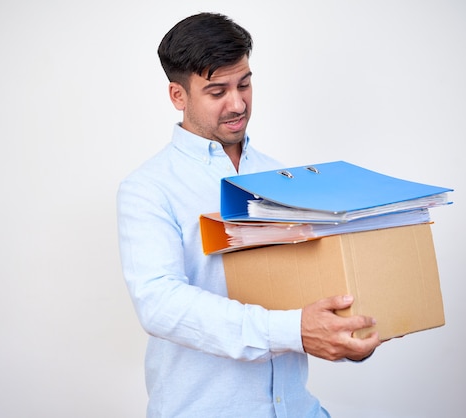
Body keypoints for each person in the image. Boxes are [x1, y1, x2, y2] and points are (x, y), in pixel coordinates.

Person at [117, 12, 381, 418]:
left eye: (244, 83)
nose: (238, 103)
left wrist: (348, 335)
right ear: (178, 95)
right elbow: (160, 304)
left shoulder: (282, 176)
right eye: (217, 90)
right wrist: (293, 330)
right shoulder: (148, 188)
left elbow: (309, 291)